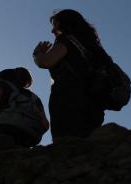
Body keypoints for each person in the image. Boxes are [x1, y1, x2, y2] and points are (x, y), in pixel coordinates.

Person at [33, 9, 107, 140]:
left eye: (55, 25)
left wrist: (37, 53)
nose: (52, 31)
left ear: (65, 24)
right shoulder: (92, 48)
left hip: (69, 100)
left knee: (66, 146)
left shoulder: (67, 41)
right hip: (93, 104)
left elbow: (45, 62)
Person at [0, 67, 48, 170]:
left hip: (3, 132)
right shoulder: (34, 98)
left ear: (2, 77)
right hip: (29, 137)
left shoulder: (2, 84)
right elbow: (45, 125)